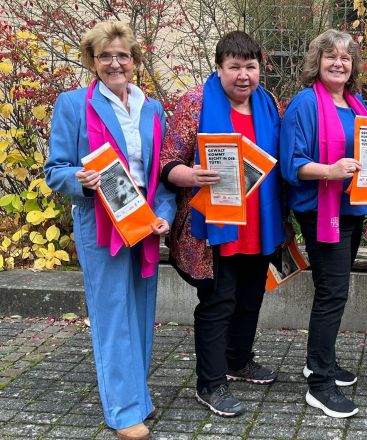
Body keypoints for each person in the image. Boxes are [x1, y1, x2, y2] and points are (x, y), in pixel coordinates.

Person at [44, 21, 175, 440]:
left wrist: (164, 214)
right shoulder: (72, 104)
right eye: (105, 56)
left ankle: (136, 396)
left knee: (141, 312)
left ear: (134, 60)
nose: (115, 63)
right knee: (113, 313)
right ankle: (123, 411)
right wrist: (79, 179)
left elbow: (161, 174)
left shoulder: (152, 109)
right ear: (92, 61)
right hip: (99, 222)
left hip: (143, 222)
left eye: (122, 55)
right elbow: (55, 170)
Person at [159, 31, 284, 418]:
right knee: (217, 302)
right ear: (218, 68)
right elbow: (167, 161)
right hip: (214, 226)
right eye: (234, 67)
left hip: (259, 223)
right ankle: (210, 383)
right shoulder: (196, 102)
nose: (243, 75)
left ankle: (238, 360)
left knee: (251, 297)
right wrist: (191, 175)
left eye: (251, 67)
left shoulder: (268, 103)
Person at [280, 29, 367, 418]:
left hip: (351, 209)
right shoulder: (305, 104)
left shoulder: (356, 104)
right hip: (321, 210)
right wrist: (330, 171)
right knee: (332, 295)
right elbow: (292, 164)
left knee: (333, 291)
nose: (338, 63)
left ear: (353, 66)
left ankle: (320, 362)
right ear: (317, 61)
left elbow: (363, 154)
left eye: (345, 58)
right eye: (331, 56)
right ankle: (319, 384)